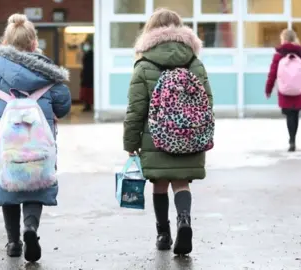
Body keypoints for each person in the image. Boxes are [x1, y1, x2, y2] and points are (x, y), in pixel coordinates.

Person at [0, 13, 71, 262]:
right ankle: (30, 227)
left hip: (4, 146)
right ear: (34, 43)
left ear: (5, 43)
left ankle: (13, 242)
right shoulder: (49, 73)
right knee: (37, 184)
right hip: (38, 144)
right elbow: (63, 107)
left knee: (8, 188)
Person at [123, 8, 213, 255]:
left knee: (160, 183)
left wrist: (130, 141)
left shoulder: (144, 64)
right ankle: (184, 219)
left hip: (156, 138)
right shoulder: (195, 63)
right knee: (181, 181)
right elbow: (208, 102)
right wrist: (197, 129)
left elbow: (135, 109)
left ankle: (163, 234)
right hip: (190, 137)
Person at [265, 29, 301, 152]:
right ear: (294, 39)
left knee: (289, 114)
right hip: (299, 90)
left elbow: (272, 74)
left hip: (284, 91)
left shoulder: (279, 55)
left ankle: (291, 140)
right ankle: (293, 139)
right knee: (295, 114)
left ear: (283, 39)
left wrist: (268, 88)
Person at [79, 34, 94, 112]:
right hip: (86, 75)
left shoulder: (91, 54)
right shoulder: (87, 53)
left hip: (89, 75)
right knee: (86, 90)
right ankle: (87, 104)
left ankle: (88, 105)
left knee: (88, 90)